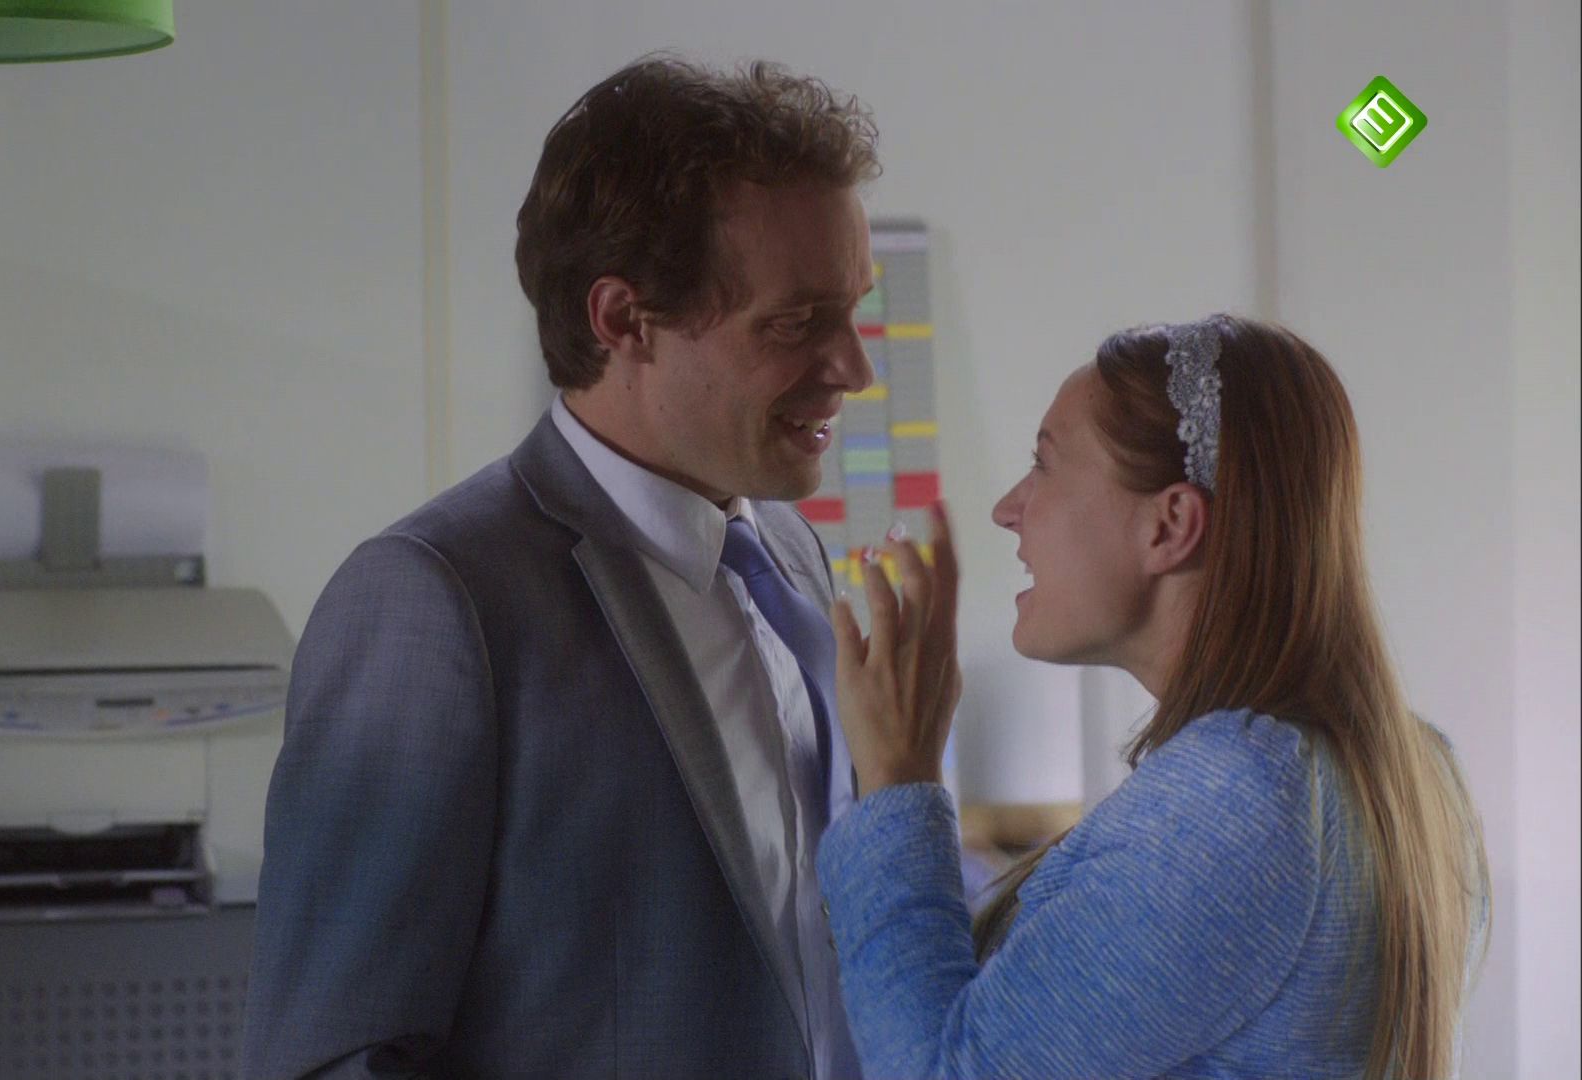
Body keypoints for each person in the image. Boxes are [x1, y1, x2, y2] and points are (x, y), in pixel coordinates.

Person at [243, 55, 880, 1077]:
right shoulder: (432, 601)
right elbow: (334, 1056)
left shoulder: (793, 559)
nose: (855, 368)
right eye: (798, 323)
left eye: (854, 311)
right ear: (622, 320)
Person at [819, 315, 1491, 1079]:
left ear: (1170, 525)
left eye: (1044, 464)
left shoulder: (1238, 798)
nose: (1009, 508)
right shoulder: (1416, 769)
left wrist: (899, 781)